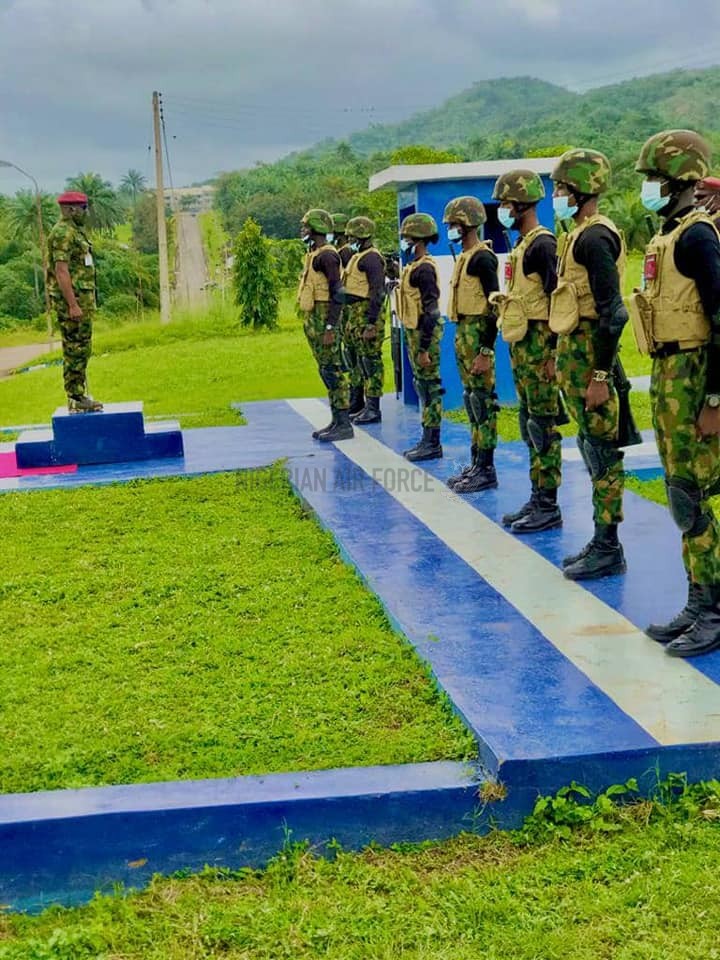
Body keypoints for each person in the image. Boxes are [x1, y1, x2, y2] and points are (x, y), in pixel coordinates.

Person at [631, 129, 720, 658]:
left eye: (655, 180)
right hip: (668, 374)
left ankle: (711, 609)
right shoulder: (670, 233)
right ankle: (698, 598)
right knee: (679, 491)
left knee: (693, 494)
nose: (649, 188)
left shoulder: (698, 237)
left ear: (680, 180)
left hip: (694, 376)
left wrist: (714, 400)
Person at [550, 148, 628, 580]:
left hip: (590, 363)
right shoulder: (576, 235)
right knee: (590, 447)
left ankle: (608, 546)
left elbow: (613, 312)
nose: (557, 194)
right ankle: (601, 540)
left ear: (580, 190)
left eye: (562, 187)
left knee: (602, 455)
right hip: (575, 359)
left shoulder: (596, 237)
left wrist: (600, 375)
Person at [491, 170, 561, 532]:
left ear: (520, 204)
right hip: (522, 346)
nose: (501, 210)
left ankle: (549, 503)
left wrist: (552, 356)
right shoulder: (520, 246)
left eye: (505, 204)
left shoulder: (542, 245)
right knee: (529, 421)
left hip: (539, 348)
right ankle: (537, 496)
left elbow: (558, 302)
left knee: (543, 425)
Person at [443, 196, 500, 493]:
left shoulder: (482, 258)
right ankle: (477, 462)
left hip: (478, 334)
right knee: (471, 400)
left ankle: (487, 468)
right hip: (463, 331)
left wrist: (486, 351)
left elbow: (494, 306)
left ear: (467, 225)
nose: (450, 230)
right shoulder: (463, 257)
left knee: (484, 402)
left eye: (454, 224)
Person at [297, 208, 353, 442]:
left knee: (333, 370)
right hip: (315, 320)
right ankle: (336, 419)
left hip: (324, 319)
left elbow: (338, 293)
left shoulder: (328, 256)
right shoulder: (314, 253)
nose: (303, 230)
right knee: (325, 369)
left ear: (317, 228)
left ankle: (344, 423)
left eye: (307, 226)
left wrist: (331, 326)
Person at [46, 191, 103, 413]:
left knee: (82, 347)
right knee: (75, 348)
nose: (85, 212)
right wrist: (72, 304)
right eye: (83, 209)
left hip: (82, 299)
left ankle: (79, 394)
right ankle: (76, 396)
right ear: (71, 209)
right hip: (73, 302)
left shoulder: (75, 231)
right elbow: (61, 271)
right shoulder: (62, 233)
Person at [397, 213, 444, 461]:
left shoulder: (424, 268)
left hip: (424, 336)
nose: (404, 241)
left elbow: (431, 310)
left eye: (407, 237)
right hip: (415, 334)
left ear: (417, 239)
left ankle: (432, 442)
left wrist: (424, 347)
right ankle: (427, 438)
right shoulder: (413, 266)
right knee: (422, 386)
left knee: (430, 388)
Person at [342, 216, 386, 424]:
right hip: (355, 315)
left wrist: (371, 323)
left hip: (367, 314)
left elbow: (377, 291)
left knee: (371, 362)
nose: (349, 238)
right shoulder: (357, 256)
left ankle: (373, 408)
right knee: (359, 360)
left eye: (352, 235)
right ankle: (362, 404)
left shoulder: (371, 258)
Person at [331, 212, 363, 416]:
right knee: (350, 357)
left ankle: (357, 398)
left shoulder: (345, 254)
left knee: (355, 358)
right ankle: (355, 396)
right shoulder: (343, 252)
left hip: (352, 312)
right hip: (347, 312)